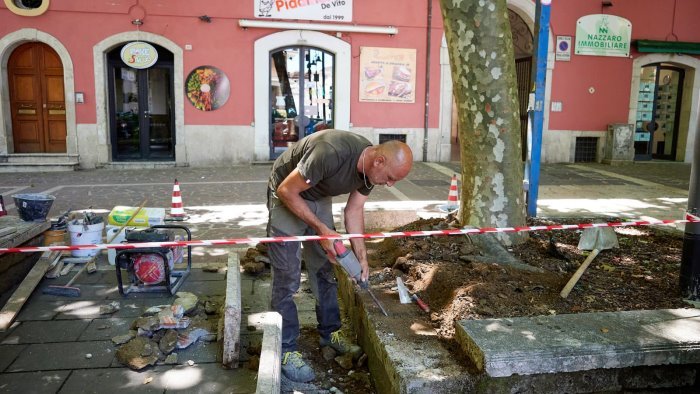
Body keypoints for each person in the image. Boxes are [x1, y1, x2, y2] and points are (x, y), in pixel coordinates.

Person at [266, 129, 413, 382]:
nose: (389, 184)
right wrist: (322, 230)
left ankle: (330, 333)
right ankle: (286, 349)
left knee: (324, 268)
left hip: (317, 195)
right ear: (379, 161)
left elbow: (354, 210)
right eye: (390, 178)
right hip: (288, 193)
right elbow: (286, 190)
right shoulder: (329, 152)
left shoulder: (370, 171)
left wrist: (362, 256)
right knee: (287, 277)